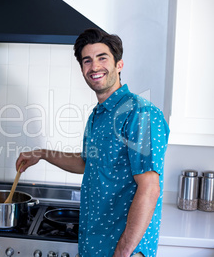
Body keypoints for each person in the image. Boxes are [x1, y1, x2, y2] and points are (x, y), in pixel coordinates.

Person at [16, 28, 169, 257]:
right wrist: (41, 153)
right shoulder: (99, 115)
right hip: (94, 245)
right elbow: (87, 163)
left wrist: (123, 252)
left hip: (122, 250)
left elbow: (149, 188)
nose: (94, 67)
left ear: (119, 64)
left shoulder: (140, 112)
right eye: (87, 61)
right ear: (82, 69)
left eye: (102, 58)